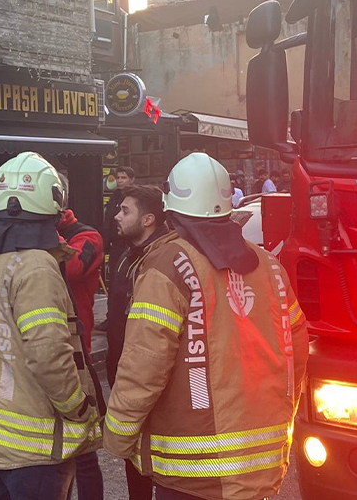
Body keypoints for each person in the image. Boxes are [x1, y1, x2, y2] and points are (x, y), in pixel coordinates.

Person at [104, 152, 309, 500]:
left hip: (192, 472)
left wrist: (118, 436)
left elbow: (143, 365)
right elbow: (297, 352)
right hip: (262, 464)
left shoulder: (166, 266)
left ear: (170, 211)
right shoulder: (269, 266)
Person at [0, 152, 102, 500]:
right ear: (53, 201)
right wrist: (77, 406)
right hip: (33, 447)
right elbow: (48, 354)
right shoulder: (36, 266)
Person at [104, 184, 168, 500]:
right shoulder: (126, 255)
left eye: (125, 210)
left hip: (156, 383)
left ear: (149, 219)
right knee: (135, 461)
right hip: (125, 375)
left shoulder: (164, 259)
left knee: (166, 465)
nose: (117, 215)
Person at [55, 175, 105, 500]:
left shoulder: (87, 236)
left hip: (77, 358)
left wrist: (43, 232)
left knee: (83, 456)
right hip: (40, 352)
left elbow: (69, 270)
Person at [101, 166, 138, 265]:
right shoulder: (114, 197)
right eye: (118, 178)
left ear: (132, 179)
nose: (119, 181)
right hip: (115, 245)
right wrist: (104, 246)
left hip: (131, 244)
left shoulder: (137, 197)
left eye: (123, 178)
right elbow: (108, 220)